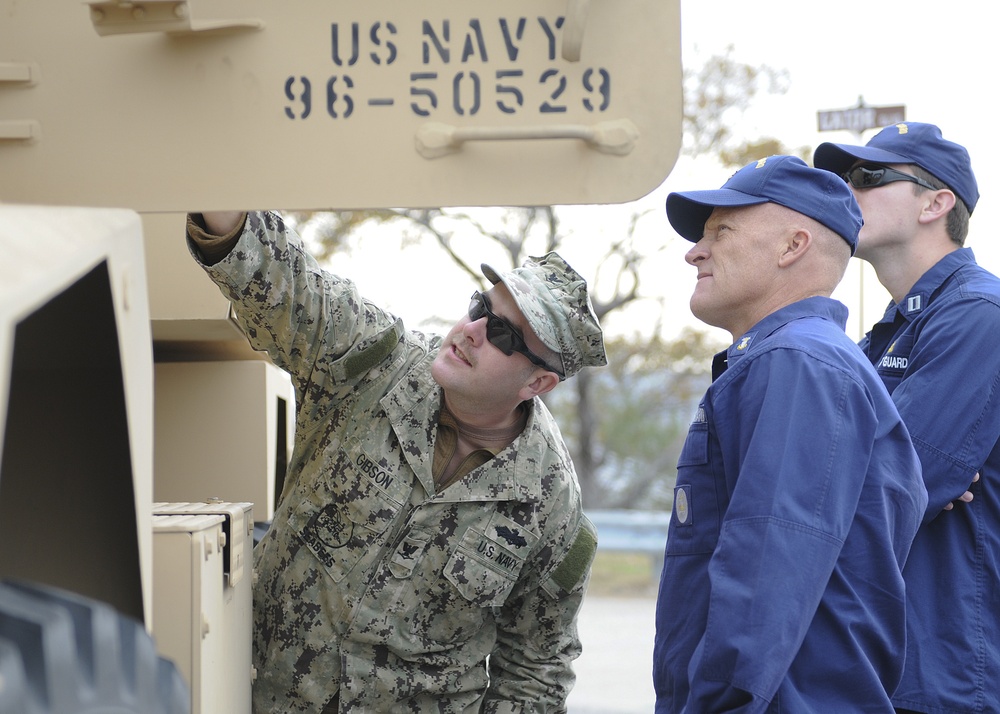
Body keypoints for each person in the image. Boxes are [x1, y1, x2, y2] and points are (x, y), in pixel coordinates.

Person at [184, 210, 608, 713]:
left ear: (537, 384)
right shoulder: (372, 367)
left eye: (504, 336)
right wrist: (226, 214)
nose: (472, 330)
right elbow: (292, 288)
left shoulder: (550, 506)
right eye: (479, 306)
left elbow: (537, 670)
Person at [652, 155, 927, 712]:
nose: (694, 251)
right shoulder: (798, 360)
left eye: (720, 231)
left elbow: (766, 573)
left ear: (792, 246)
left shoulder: (799, 363)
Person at [814, 122, 1000, 714]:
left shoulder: (978, 314)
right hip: (882, 659)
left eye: (868, 177)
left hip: (944, 669)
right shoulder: (888, 331)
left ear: (936, 204)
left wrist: (863, 464)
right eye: (842, 179)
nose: (848, 191)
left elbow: (897, 483)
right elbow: (837, 471)